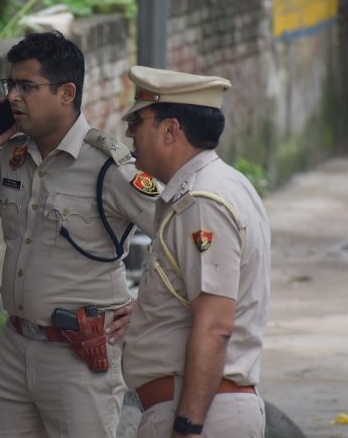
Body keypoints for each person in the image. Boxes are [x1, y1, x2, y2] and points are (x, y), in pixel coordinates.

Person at [0, 31, 158, 437]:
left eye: (27, 86)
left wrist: (148, 302)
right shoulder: (10, 156)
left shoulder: (110, 167)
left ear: (66, 93)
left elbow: (179, 233)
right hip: (14, 346)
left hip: (80, 355)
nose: (13, 97)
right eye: (11, 85)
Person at [121, 65, 270, 438]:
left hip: (200, 415)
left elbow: (216, 325)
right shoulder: (222, 184)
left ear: (170, 130)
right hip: (203, 410)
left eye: (137, 122)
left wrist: (187, 427)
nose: (128, 133)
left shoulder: (203, 200)